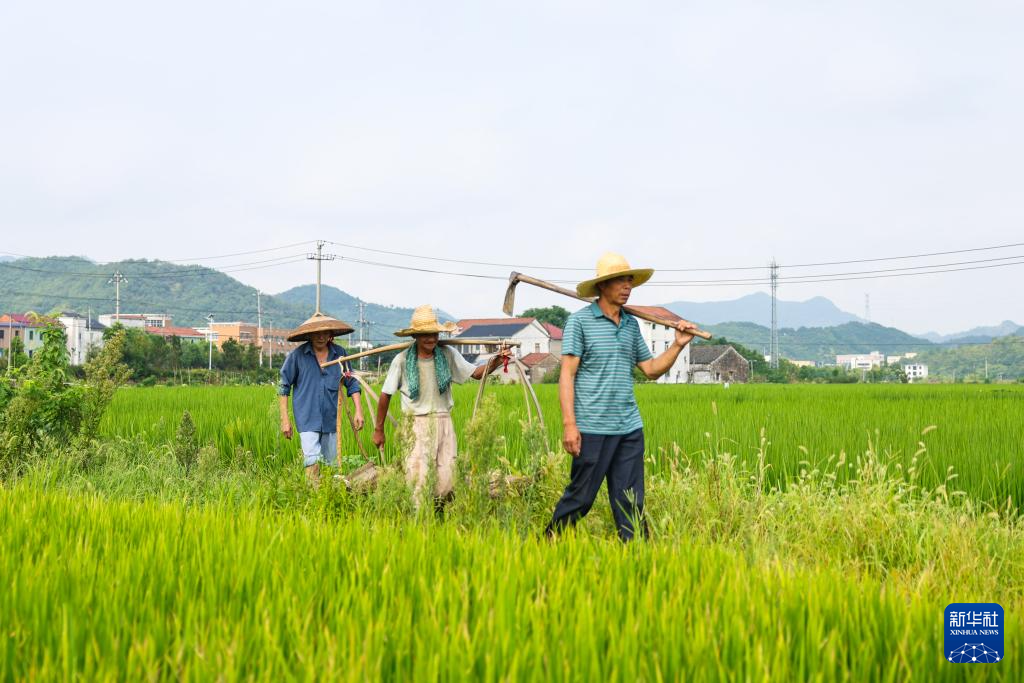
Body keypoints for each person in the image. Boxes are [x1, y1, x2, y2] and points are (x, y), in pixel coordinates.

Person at [545, 253, 697, 541]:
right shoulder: (579, 323)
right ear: (603, 286)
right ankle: (547, 544)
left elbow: (650, 370)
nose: (627, 286)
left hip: (628, 428)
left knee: (630, 500)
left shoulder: (630, 325)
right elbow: (567, 375)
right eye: (620, 280)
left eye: (630, 280)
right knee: (581, 497)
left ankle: (636, 557)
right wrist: (569, 425)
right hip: (591, 428)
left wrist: (677, 345)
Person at [372, 305, 509, 508]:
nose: (431, 339)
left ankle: (437, 515)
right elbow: (385, 395)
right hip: (416, 423)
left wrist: (497, 360)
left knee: (446, 476)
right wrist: (378, 430)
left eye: (434, 334)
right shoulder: (401, 361)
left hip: (444, 421)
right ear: (416, 337)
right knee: (418, 477)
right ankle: (419, 523)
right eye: (425, 335)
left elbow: (476, 373)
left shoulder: (447, 354)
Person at [278, 312, 363, 486]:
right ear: (309, 334)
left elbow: (351, 382)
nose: (321, 336)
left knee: (329, 465)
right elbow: (283, 387)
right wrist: (285, 419)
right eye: (316, 333)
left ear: (331, 334)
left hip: (331, 420)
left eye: (325, 332)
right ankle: (312, 497)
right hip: (307, 419)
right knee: (312, 460)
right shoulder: (297, 356)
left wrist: (358, 411)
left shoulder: (340, 355)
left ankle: (328, 500)